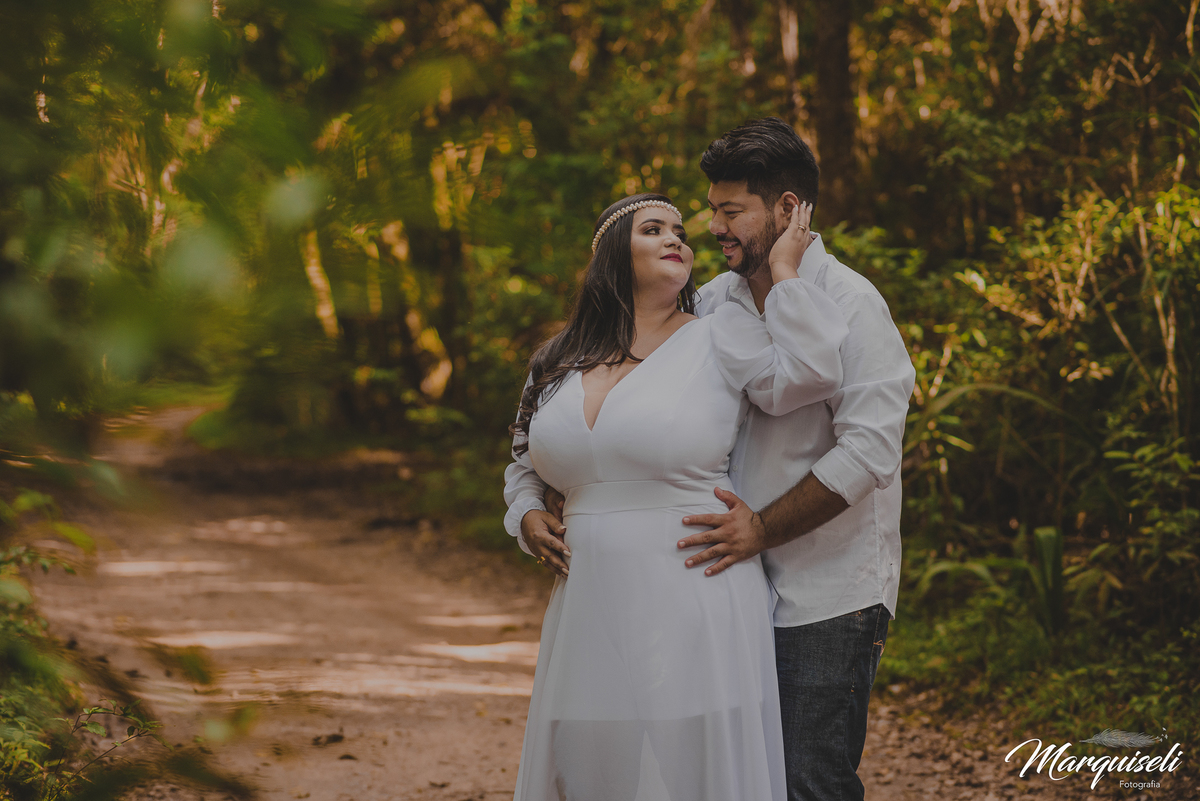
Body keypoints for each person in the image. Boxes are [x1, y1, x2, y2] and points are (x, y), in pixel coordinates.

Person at [539, 118, 917, 801]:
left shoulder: (855, 306)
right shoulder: (715, 300)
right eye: (710, 209)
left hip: (824, 594)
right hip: (721, 591)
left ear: (788, 209)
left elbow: (868, 452)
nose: (711, 226)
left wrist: (762, 527)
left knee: (808, 780)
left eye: (730, 210)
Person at [503, 191, 848, 800]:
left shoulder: (720, 334)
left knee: (694, 774)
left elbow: (811, 373)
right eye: (653, 229)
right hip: (588, 603)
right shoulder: (555, 361)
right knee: (587, 770)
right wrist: (526, 511)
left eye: (681, 232)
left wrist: (788, 275)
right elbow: (523, 459)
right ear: (613, 253)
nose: (678, 240)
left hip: (695, 588)